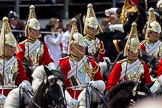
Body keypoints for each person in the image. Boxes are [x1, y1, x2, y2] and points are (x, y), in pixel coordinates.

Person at [58, 18, 105, 108]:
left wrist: (96, 84)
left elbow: (102, 83)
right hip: (72, 98)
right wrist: (69, 100)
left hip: (90, 96)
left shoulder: (91, 61)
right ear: (72, 47)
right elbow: (59, 86)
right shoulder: (64, 63)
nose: (83, 48)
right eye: (79, 46)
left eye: (83, 46)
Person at [16, 5, 56, 82]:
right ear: (29, 30)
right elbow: (18, 63)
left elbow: (47, 59)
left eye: (38, 30)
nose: (38, 32)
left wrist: (53, 66)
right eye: (35, 30)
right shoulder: (21, 45)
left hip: (39, 76)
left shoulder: (41, 44)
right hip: (25, 76)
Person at [106, 22, 152, 90]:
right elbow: (111, 86)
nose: (134, 54)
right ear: (127, 51)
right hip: (124, 94)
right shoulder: (119, 65)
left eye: (136, 51)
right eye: (132, 51)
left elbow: (148, 83)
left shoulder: (143, 65)